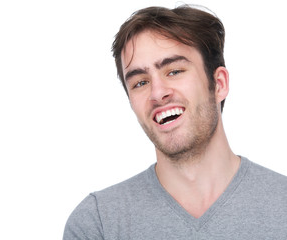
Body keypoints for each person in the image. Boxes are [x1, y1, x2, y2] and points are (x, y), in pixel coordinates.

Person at [63, 5, 287, 239]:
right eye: (140, 82)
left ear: (219, 84)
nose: (157, 93)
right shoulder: (99, 223)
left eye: (175, 71)